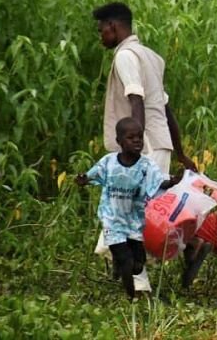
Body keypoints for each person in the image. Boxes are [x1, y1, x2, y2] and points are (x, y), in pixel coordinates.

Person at [92, 2, 207, 290]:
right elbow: (166, 110)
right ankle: (191, 245)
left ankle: (139, 283)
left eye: (101, 30)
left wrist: (134, 150)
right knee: (148, 211)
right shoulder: (151, 57)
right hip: (160, 143)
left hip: (143, 147)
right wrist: (179, 152)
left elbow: (136, 101)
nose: (100, 36)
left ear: (114, 27)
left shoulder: (125, 57)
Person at [76, 117, 182, 299]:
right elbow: (91, 176)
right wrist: (83, 180)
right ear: (119, 142)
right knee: (126, 260)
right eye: (131, 138)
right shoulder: (109, 162)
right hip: (112, 219)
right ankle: (131, 296)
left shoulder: (146, 166)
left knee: (138, 263)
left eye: (139, 137)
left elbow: (159, 182)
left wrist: (172, 182)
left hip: (134, 220)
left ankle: (118, 265)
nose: (136, 141)